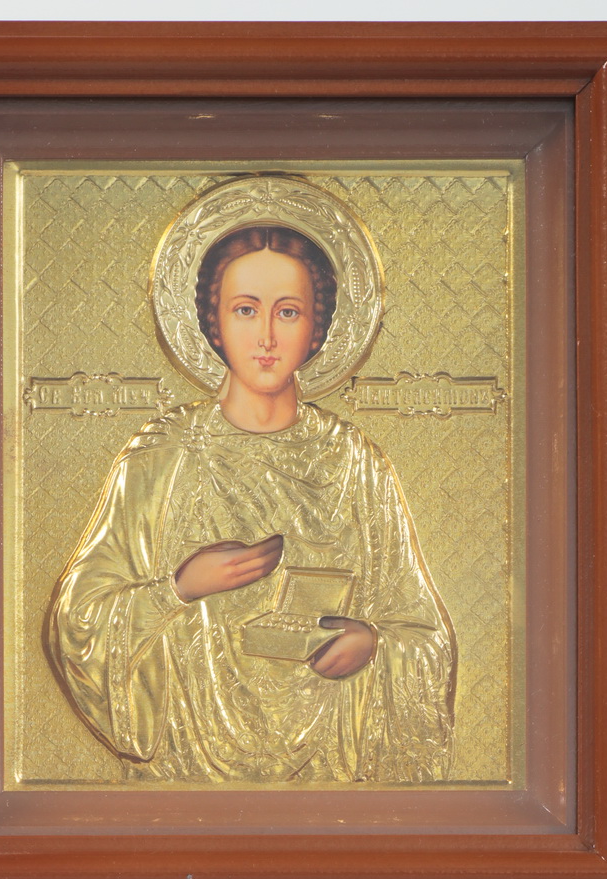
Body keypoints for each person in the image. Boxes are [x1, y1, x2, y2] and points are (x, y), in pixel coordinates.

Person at [46, 225, 456, 783]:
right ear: (213, 323)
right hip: (185, 769)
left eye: (288, 312)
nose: (266, 336)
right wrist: (179, 588)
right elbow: (78, 621)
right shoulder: (163, 457)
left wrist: (372, 643)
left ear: (317, 328)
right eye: (245, 310)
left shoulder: (355, 464)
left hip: (331, 774)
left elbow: (422, 629)